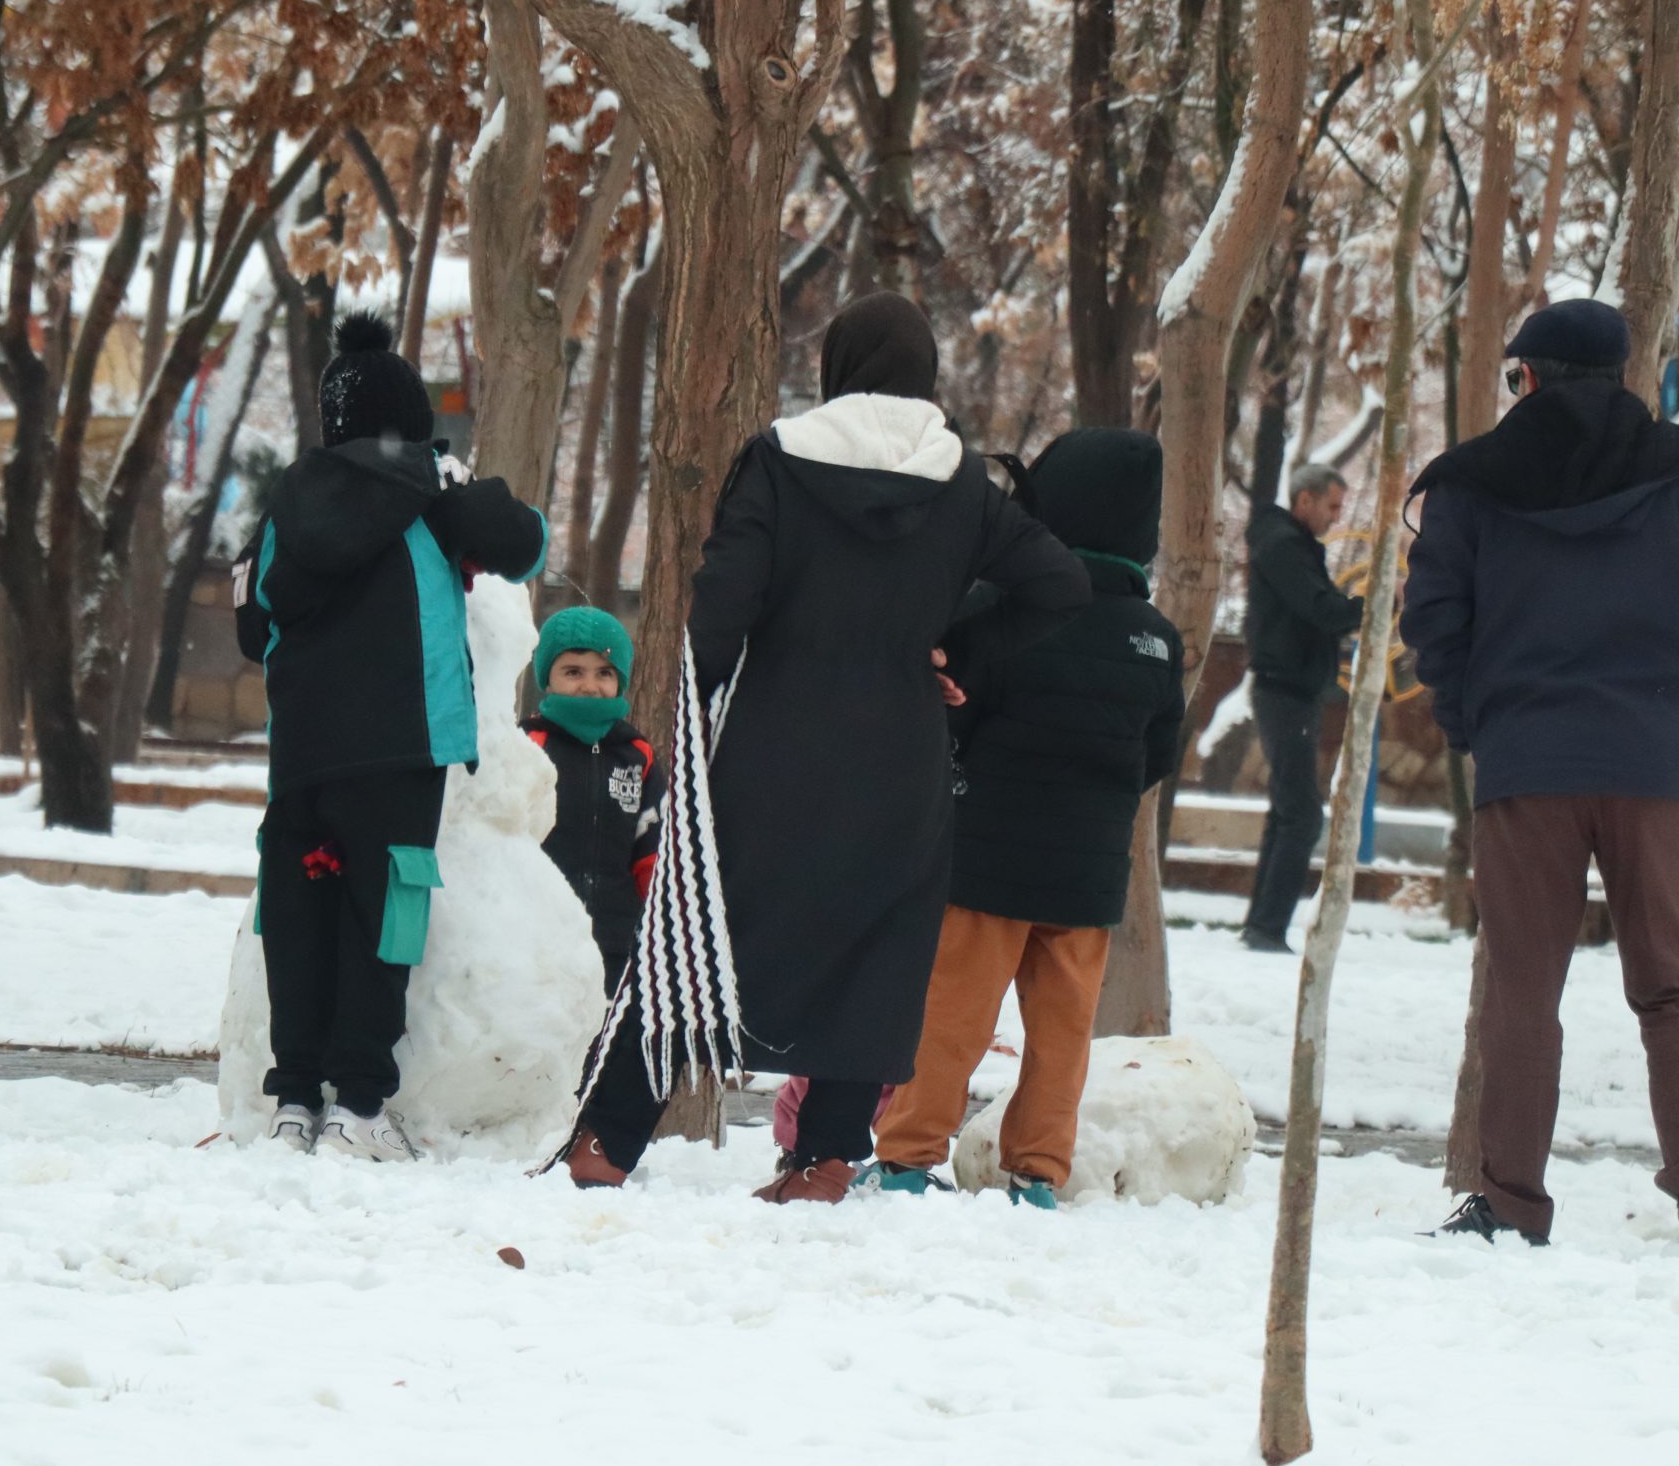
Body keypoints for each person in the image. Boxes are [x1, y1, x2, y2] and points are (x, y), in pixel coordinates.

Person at [562, 292, 1089, 1200]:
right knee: (874, 949)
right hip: (900, 760)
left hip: (771, 747)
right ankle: (826, 1158)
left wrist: (701, 708)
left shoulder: (778, 460)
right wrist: (951, 648)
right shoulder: (965, 485)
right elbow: (1061, 585)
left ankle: (608, 1138)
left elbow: (722, 606)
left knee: (699, 924)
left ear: (836, 366)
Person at [1400, 299, 1679, 1245]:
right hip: (1658, 765)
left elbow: (1435, 619)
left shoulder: (1472, 481)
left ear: (1527, 375)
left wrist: (1479, 722)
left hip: (1527, 765)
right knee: (1673, 979)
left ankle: (1510, 1203)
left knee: (1522, 988)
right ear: (1621, 375)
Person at [250, 313, 547, 1162]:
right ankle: (359, 1105)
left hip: (303, 749)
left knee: (298, 915)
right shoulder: (433, 494)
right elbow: (525, 545)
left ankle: (293, 1101)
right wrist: (458, 481)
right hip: (401, 745)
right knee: (386, 919)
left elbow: (253, 617)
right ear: (413, 420)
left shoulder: (287, 502)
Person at [864, 428, 1185, 1206]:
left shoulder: (1004, 607)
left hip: (985, 865)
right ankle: (1039, 1170)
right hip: (1087, 876)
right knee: (1062, 1034)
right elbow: (1158, 754)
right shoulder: (1155, 639)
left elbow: (950, 714)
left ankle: (908, 1155)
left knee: (951, 1018)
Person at [1238, 462, 1365, 953]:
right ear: (1304, 499)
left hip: (1293, 690)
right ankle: (1267, 928)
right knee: (1303, 816)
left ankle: (1261, 923)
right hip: (1284, 690)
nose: (1337, 516)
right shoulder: (1284, 546)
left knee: (1288, 811)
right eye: (1332, 506)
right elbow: (1321, 609)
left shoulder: (1293, 545)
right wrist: (1377, 603)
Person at [519, 605, 663, 993]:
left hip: (619, 942)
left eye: (604, 673)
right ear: (547, 678)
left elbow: (652, 852)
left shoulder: (637, 756)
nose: (589, 685)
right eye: (573, 672)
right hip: (536, 940)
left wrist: (659, 926)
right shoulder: (527, 746)